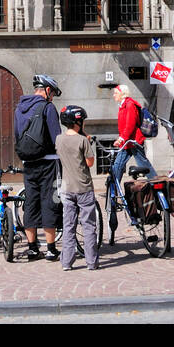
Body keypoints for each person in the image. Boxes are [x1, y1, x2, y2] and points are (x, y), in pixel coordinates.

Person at [14, 73, 63, 261]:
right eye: (53, 93)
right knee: (50, 201)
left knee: (31, 203)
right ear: (48, 90)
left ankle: (32, 248)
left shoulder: (20, 108)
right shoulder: (48, 107)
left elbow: (17, 135)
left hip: (29, 163)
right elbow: (56, 137)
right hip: (49, 162)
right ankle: (51, 249)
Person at [56, 105, 99, 272]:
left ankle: (67, 262)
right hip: (84, 187)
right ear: (77, 122)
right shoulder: (82, 140)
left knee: (68, 225)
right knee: (88, 226)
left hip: (67, 188)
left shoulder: (58, 139)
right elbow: (89, 163)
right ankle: (91, 262)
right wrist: (87, 143)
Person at [111, 83, 155, 187]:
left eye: (116, 93)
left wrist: (121, 139)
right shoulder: (123, 105)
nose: (114, 95)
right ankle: (113, 186)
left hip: (134, 141)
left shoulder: (129, 105)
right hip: (127, 142)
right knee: (118, 164)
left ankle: (156, 185)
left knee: (143, 164)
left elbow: (130, 124)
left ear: (122, 94)